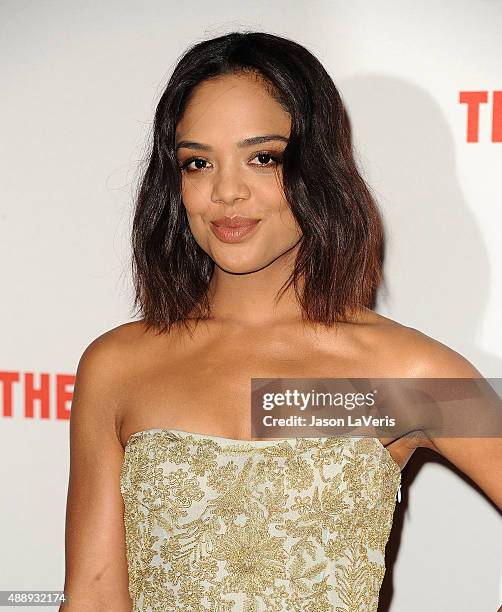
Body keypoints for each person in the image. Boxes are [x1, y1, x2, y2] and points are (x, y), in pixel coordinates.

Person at [60, 31, 502, 611]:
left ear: (316, 168)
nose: (225, 192)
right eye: (198, 163)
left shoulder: (406, 373)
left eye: (262, 158)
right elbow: (93, 597)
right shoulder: (118, 365)